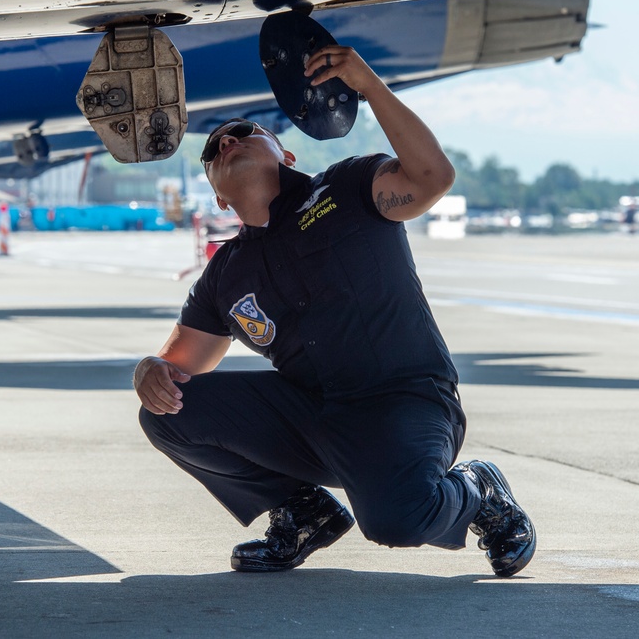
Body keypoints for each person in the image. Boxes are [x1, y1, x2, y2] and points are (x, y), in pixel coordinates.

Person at [133, 45, 535, 577]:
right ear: (218, 198)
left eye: (244, 131)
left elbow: (432, 176)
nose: (227, 140)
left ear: (286, 155)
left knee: (398, 522)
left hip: (404, 402)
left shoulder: (348, 188)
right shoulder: (225, 274)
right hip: (316, 418)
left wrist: (368, 86)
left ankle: (477, 489)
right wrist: (149, 371)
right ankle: (303, 512)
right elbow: (177, 367)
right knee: (168, 414)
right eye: (213, 148)